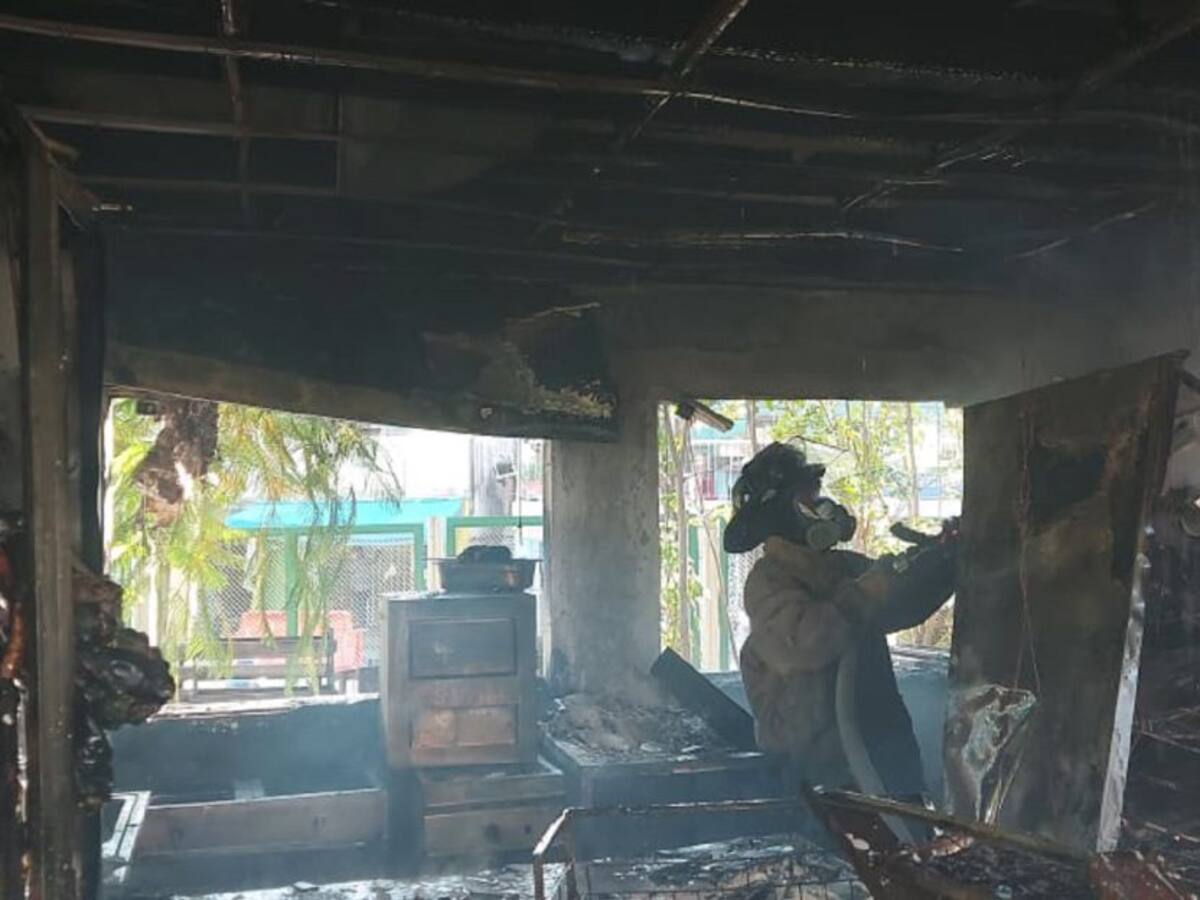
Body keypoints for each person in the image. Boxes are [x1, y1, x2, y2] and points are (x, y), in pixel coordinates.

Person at [724, 442, 957, 800]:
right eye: (807, 496)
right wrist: (863, 595)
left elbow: (903, 603)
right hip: (825, 776)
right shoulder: (769, 580)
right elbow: (801, 644)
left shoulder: (843, 568)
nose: (821, 505)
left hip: (883, 758)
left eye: (816, 494)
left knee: (910, 848)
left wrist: (943, 561)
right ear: (780, 512)